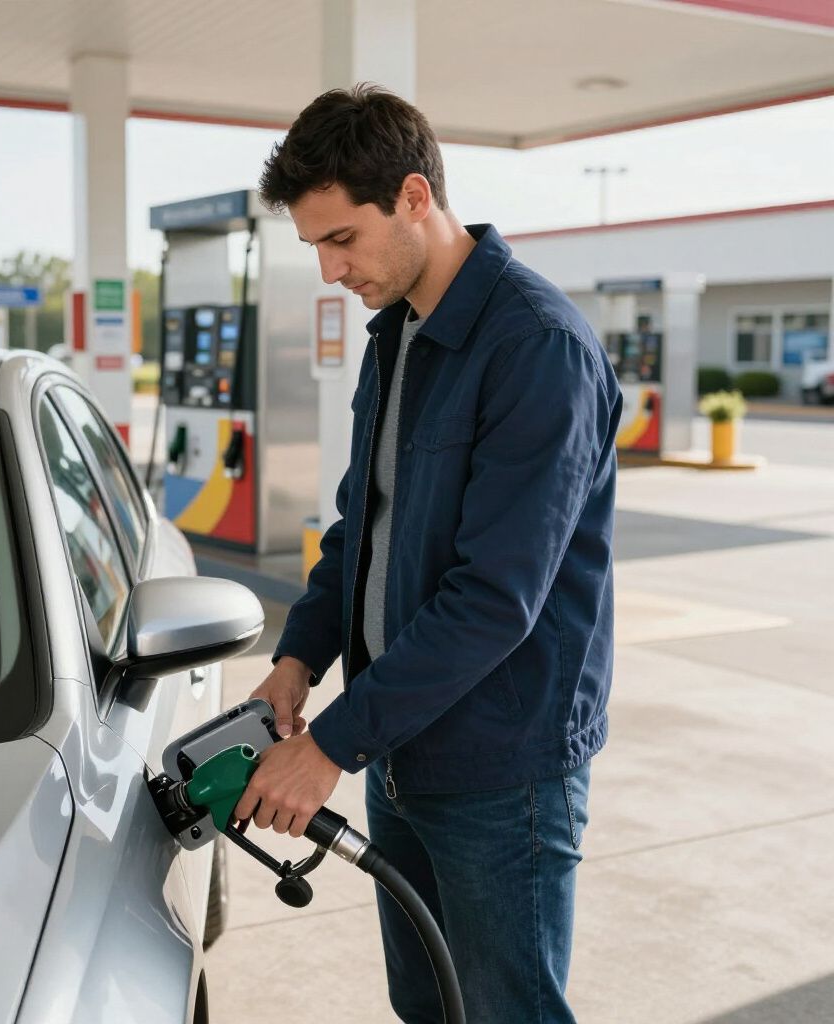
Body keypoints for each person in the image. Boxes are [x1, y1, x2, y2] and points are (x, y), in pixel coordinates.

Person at [232, 84, 622, 1023]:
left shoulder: (536, 348)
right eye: (315, 246)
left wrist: (329, 745)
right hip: (399, 749)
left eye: (342, 239)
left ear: (414, 197)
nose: (330, 270)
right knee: (428, 1008)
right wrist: (299, 660)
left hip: (501, 769)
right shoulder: (398, 333)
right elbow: (361, 525)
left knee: (505, 1013)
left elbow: (495, 598)